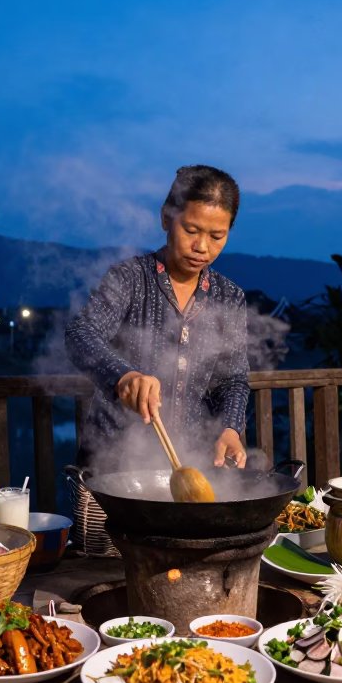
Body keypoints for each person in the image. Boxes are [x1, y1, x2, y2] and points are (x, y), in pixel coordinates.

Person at [66, 165, 257, 475]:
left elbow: (233, 378)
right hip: (112, 461)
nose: (202, 247)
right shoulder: (128, 278)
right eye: (191, 230)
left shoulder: (229, 296)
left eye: (216, 236)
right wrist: (124, 377)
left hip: (189, 462)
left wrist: (230, 429)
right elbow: (80, 334)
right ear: (166, 217)